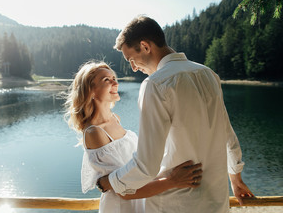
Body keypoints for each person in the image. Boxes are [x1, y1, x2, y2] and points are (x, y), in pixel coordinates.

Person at [97, 16, 254, 213]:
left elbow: (147, 165)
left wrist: (110, 181)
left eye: (131, 60)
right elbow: (228, 135)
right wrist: (236, 178)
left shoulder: (155, 85)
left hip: (175, 205)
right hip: (216, 202)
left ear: (145, 46)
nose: (134, 68)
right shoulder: (208, 74)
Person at [64, 61, 203, 213]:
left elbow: (134, 171)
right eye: (106, 80)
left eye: (114, 78)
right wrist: (173, 181)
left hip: (141, 199)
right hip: (121, 207)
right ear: (90, 91)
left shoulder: (115, 118)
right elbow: (124, 191)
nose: (115, 83)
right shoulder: (94, 133)